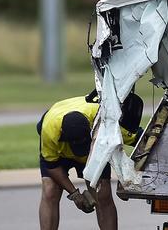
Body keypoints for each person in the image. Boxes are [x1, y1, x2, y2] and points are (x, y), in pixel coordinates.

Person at [37, 90, 143, 230]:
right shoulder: (49, 131)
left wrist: (128, 175)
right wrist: (74, 194)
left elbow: (143, 140)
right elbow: (52, 166)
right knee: (50, 190)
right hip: (60, 153)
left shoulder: (104, 121)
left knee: (102, 194)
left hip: (93, 150)